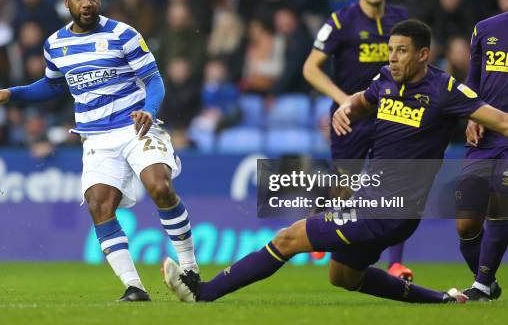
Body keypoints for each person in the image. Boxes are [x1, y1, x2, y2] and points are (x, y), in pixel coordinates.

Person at [163, 19, 508, 304]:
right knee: (343, 276)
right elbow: (364, 99)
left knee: (288, 238)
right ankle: (444, 302)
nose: (393, 58)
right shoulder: (387, 80)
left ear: (423, 55)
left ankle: (204, 293)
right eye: (390, 50)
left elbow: (501, 121)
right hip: (374, 199)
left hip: (392, 206)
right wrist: (347, 109)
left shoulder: (446, 90)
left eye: (401, 51)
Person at [0, 0, 199, 302]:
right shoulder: (55, 44)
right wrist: (12, 93)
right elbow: (52, 85)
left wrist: (149, 110)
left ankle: (190, 269)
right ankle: (134, 288)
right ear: (67, 2)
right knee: (99, 204)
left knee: (159, 185)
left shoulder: (124, 34)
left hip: (136, 127)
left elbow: (154, 80)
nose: (87, 3)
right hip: (96, 137)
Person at [303, 0, 412, 280]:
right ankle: (320, 219)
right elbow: (310, 68)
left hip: (393, 114)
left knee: (396, 185)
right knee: (345, 185)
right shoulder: (341, 20)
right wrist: (343, 100)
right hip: (350, 116)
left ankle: (396, 263)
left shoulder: (401, 19)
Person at [455, 12, 508, 301]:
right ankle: (486, 280)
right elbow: (472, 80)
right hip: (484, 137)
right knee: (466, 223)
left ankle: (482, 287)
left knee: (501, 206)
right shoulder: (486, 29)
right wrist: (471, 113)